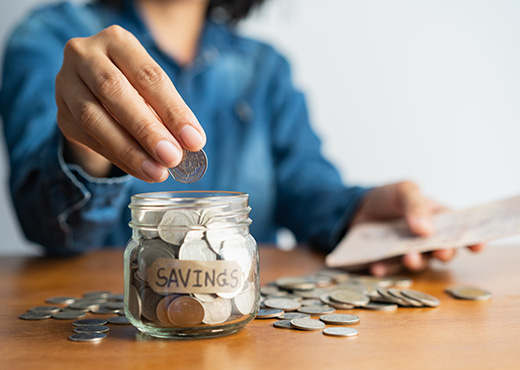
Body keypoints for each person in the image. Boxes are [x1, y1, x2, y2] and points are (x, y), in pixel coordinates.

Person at [0, 0, 482, 275]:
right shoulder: (51, 42)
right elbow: (48, 227)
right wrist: (85, 143)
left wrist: (359, 210)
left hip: (246, 322)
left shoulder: (265, 67)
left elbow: (308, 190)